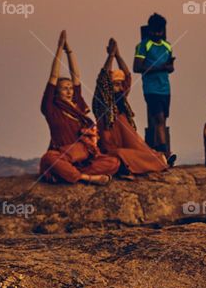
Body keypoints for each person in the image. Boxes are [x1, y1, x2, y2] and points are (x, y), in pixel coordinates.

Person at [39, 30, 119, 185]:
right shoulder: (51, 108)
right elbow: (53, 77)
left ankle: (68, 174)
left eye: (70, 88)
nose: (69, 91)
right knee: (49, 159)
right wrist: (59, 49)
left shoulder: (77, 105)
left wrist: (69, 51)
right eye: (64, 88)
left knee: (113, 163)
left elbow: (76, 76)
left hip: (83, 155)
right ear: (56, 92)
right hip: (64, 154)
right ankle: (85, 178)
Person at [93, 38, 173, 178]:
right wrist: (111, 56)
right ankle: (159, 161)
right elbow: (103, 79)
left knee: (143, 150)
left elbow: (128, 76)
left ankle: (160, 160)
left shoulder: (122, 102)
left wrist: (118, 55)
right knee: (121, 155)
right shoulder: (102, 104)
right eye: (115, 84)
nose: (119, 88)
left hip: (128, 146)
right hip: (112, 150)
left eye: (120, 84)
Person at [133, 13, 174, 156]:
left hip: (165, 88)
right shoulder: (143, 46)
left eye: (160, 31)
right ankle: (164, 151)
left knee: (162, 120)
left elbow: (170, 67)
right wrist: (159, 68)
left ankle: (158, 151)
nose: (157, 34)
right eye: (155, 31)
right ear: (150, 30)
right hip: (151, 88)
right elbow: (137, 67)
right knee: (159, 118)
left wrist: (169, 67)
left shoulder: (167, 46)